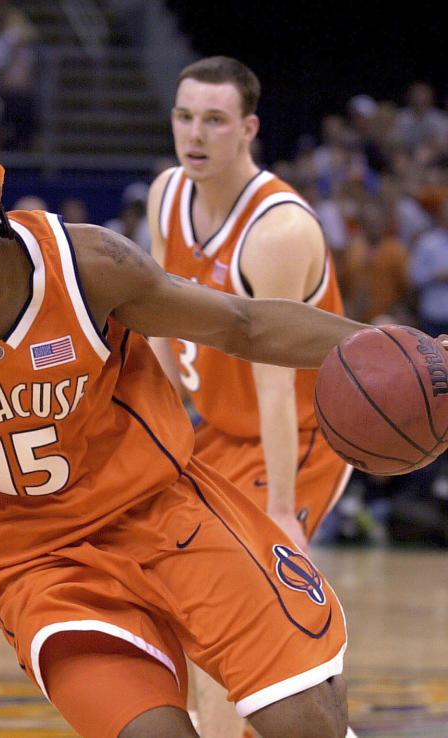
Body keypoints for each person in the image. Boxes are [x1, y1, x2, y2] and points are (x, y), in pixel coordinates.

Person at [0, 108, 369, 738]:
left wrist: (387, 344)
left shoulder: (88, 266)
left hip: (163, 512)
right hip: (37, 567)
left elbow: (242, 323)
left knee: (303, 718)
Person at [146, 56, 356, 738]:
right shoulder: (166, 196)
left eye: (214, 119)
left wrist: (280, 512)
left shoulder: (279, 230)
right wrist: (155, 440)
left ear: (248, 129)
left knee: (229, 613)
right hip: (216, 429)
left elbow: (274, 381)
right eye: (185, 116)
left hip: (300, 434)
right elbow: (155, 328)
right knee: (176, 607)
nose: (195, 133)